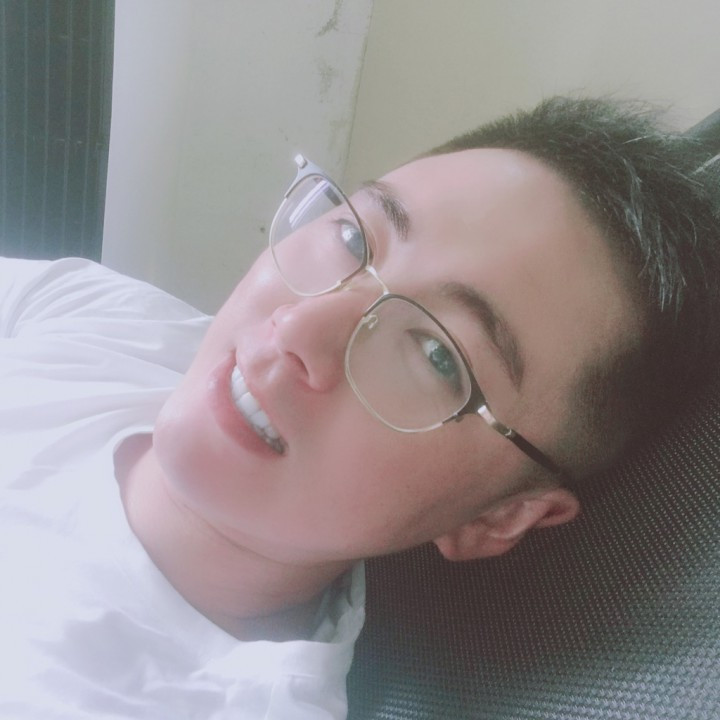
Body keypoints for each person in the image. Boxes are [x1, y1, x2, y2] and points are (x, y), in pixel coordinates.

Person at [1, 96, 718, 719]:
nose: (298, 328)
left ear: (500, 515)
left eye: (437, 355)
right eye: (354, 238)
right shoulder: (96, 317)